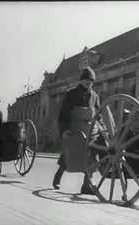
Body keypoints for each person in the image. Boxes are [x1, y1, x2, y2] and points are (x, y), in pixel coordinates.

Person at [52, 66, 105, 195]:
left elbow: (99, 115)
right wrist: (64, 130)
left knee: (92, 156)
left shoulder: (95, 96)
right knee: (69, 154)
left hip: (91, 131)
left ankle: (86, 186)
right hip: (75, 129)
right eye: (86, 80)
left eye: (91, 81)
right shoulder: (72, 94)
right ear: (81, 80)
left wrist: (103, 129)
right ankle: (58, 176)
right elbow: (64, 114)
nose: (89, 83)